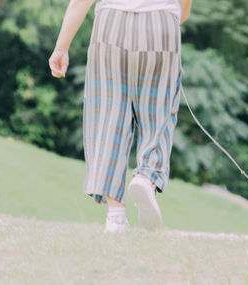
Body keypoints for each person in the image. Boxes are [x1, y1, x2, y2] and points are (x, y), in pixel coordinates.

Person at [49, 0, 192, 232]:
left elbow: (80, 2)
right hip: (161, 25)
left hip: (110, 25)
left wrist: (61, 47)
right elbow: (184, 9)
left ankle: (115, 216)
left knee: (108, 115)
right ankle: (146, 175)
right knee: (158, 111)